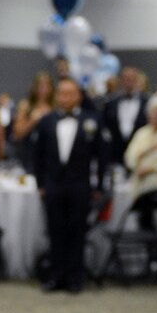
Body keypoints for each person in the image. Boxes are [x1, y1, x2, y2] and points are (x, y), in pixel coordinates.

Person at [35, 76, 103, 294]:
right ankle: (56, 275)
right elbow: (37, 155)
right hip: (53, 185)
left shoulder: (92, 120)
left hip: (80, 185)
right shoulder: (47, 121)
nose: (64, 98)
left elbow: (102, 156)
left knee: (76, 231)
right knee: (55, 231)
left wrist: (98, 185)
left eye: (69, 93)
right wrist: (40, 183)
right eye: (61, 93)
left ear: (78, 96)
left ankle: (75, 277)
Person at [103, 67, 149, 171]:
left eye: (132, 79)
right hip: (115, 157)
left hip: (140, 156)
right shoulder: (110, 103)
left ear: (138, 80)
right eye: (125, 79)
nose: (128, 82)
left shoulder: (147, 102)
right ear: (120, 81)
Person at [12, 71, 52, 170]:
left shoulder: (56, 107)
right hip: (30, 153)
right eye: (40, 86)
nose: (43, 90)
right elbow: (17, 135)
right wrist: (32, 121)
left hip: (50, 153)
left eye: (46, 86)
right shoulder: (26, 106)